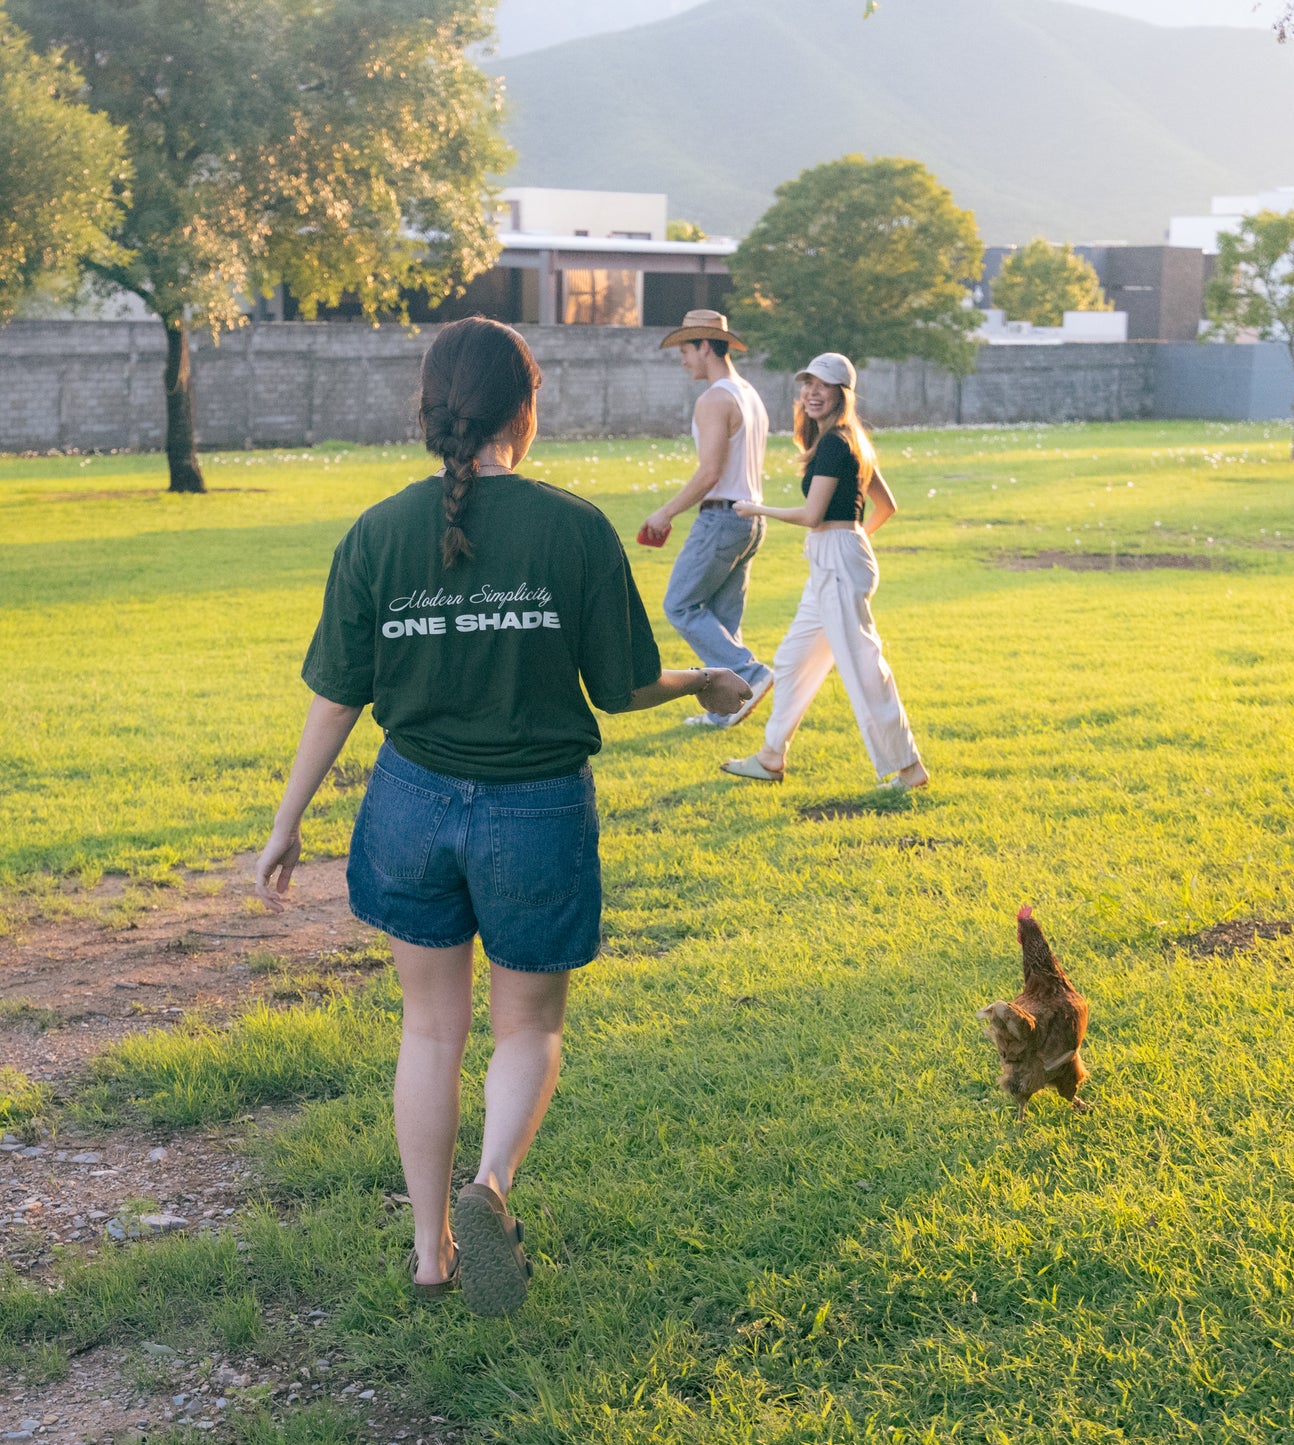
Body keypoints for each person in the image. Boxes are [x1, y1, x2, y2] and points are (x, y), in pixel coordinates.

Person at [254, 318, 750, 1316]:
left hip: (407, 803)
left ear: (431, 409)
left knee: (430, 1029)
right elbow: (618, 685)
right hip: (535, 811)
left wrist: (287, 818)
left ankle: (431, 1256)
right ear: (530, 405)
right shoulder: (570, 526)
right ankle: (489, 1189)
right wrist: (700, 680)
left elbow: (338, 693)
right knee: (528, 1024)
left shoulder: (376, 531)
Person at [722, 353, 929, 791]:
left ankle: (909, 770)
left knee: (862, 667)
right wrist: (856, 543)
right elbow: (886, 507)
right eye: (808, 383)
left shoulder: (837, 442)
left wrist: (755, 508)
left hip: (836, 556)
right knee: (794, 659)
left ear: (842, 393)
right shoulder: (847, 439)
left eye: (824, 385)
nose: (812, 392)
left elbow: (814, 514)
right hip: (835, 558)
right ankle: (770, 756)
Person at [640, 308, 773, 728]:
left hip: (722, 518)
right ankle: (724, 712)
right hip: (750, 519)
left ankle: (749, 672)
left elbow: (710, 472)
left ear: (704, 346)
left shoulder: (714, 398)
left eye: (685, 349)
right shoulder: (748, 394)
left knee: (679, 605)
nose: (682, 360)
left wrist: (665, 511)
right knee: (720, 617)